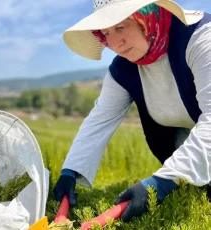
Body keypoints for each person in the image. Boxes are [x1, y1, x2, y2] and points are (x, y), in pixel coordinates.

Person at [53, 0, 211, 222]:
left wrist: (161, 182)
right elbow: (99, 120)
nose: (116, 43)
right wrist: (70, 171)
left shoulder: (201, 38)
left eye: (121, 26)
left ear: (146, 17)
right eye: (106, 32)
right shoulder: (124, 68)